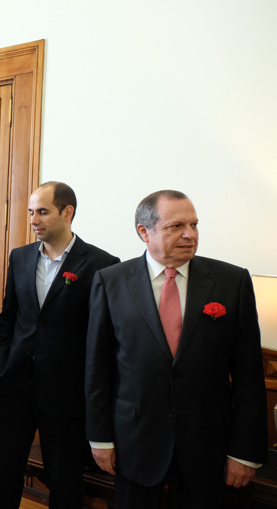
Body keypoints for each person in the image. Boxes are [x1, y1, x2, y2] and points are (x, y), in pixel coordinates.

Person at [85, 190, 267, 508]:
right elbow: (98, 368)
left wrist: (244, 452)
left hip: (206, 445)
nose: (189, 234)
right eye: (176, 226)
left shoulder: (231, 282)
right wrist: (100, 437)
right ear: (144, 232)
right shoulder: (110, 281)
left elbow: (249, 376)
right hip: (134, 441)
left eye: (194, 225)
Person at [0, 182, 119, 508]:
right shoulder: (20, 257)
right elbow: (9, 318)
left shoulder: (102, 264)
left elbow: (101, 336)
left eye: (43, 212)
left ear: (67, 212)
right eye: (31, 212)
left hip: (65, 392)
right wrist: (1, 363)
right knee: (4, 469)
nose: (34, 219)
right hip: (14, 383)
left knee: (64, 478)